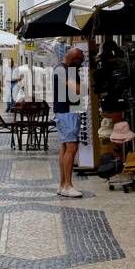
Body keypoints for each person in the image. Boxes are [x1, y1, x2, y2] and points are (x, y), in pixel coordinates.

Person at [53, 44, 85, 198]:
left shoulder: (64, 68)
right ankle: (67, 185)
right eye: (80, 61)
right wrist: (84, 87)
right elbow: (78, 90)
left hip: (65, 112)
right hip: (66, 113)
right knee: (71, 148)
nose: (80, 65)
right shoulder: (62, 70)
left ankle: (62, 184)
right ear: (74, 59)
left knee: (65, 148)